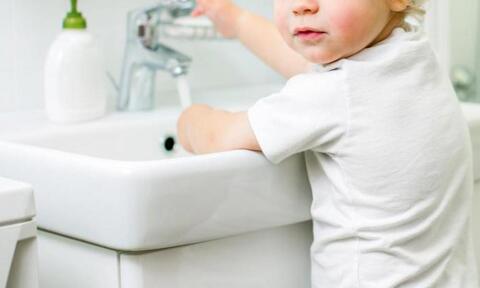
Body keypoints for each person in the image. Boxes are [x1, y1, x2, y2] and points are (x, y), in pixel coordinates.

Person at [176, 0, 479, 286]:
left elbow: (220, 137)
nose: (301, 5)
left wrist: (191, 120)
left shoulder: (335, 94)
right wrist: (238, 22)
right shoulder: (413, 57)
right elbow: (309, 68)